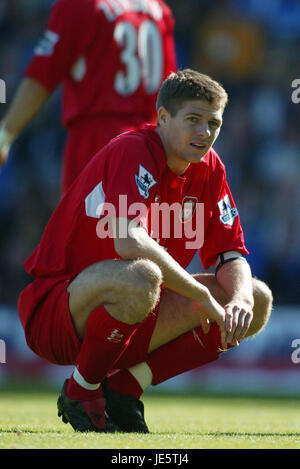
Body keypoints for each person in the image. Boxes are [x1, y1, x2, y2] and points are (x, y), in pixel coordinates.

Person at [18, 69, 273, 433]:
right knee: (142, 276)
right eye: (193, 120)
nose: (204, 132)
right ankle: (81, 391)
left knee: (258, 299)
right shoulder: (133, 149)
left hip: (136, 314)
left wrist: (241, 299)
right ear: (163, 118)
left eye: (213, 123)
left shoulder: (210, 168)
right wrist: (200, 294)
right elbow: (127, 240)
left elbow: (230, 254)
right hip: (58, 313)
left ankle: (125, 388)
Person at [0, 0, 176, 192]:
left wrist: (5, 136)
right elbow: (169, 88)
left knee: (86, 220)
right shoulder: (157, 8)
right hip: (150, 138)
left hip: (96, 138)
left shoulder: (79, 4)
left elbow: (42, 76)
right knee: (135, 218)